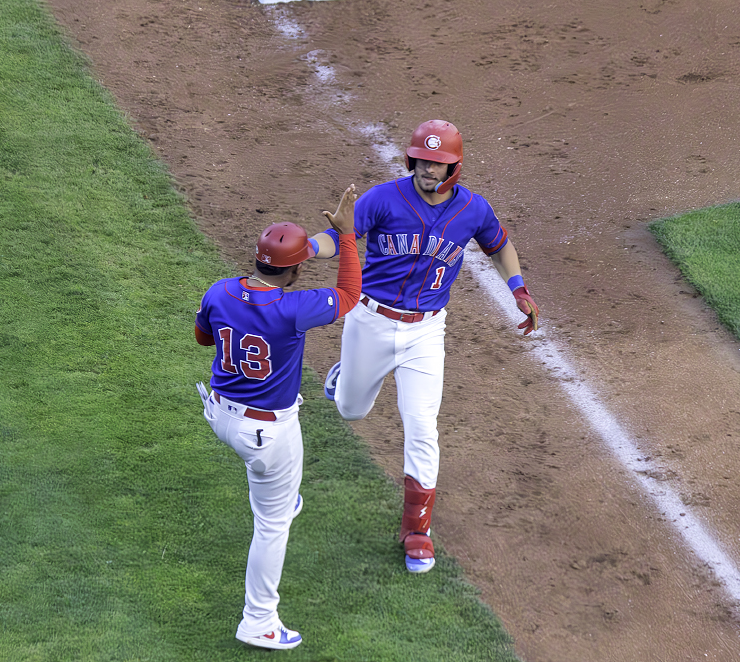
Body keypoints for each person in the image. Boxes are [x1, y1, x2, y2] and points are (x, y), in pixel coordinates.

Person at [310, 120, 540, 575]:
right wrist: (304, 247)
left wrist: (518, 288)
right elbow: (338, 240)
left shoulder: (473, 210)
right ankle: (346, 375)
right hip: (370, 320)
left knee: (422, 426)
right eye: (421, 159)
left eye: (437, 162)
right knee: (351, 411)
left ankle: (417, 530)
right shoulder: (381, 198)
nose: (426, 168)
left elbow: (500, 245)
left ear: (454, 166)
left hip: (426, 333)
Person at [195, 185, 361, 650]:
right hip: (265, 433)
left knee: (273, 490)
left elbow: (203, 338)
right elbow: (349, 294)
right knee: (271, 527)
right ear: (295, 270)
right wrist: (347, 237)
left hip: (221, 415)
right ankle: (259, 621)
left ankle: (280, 499)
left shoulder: (219, 291)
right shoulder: (292, 310)